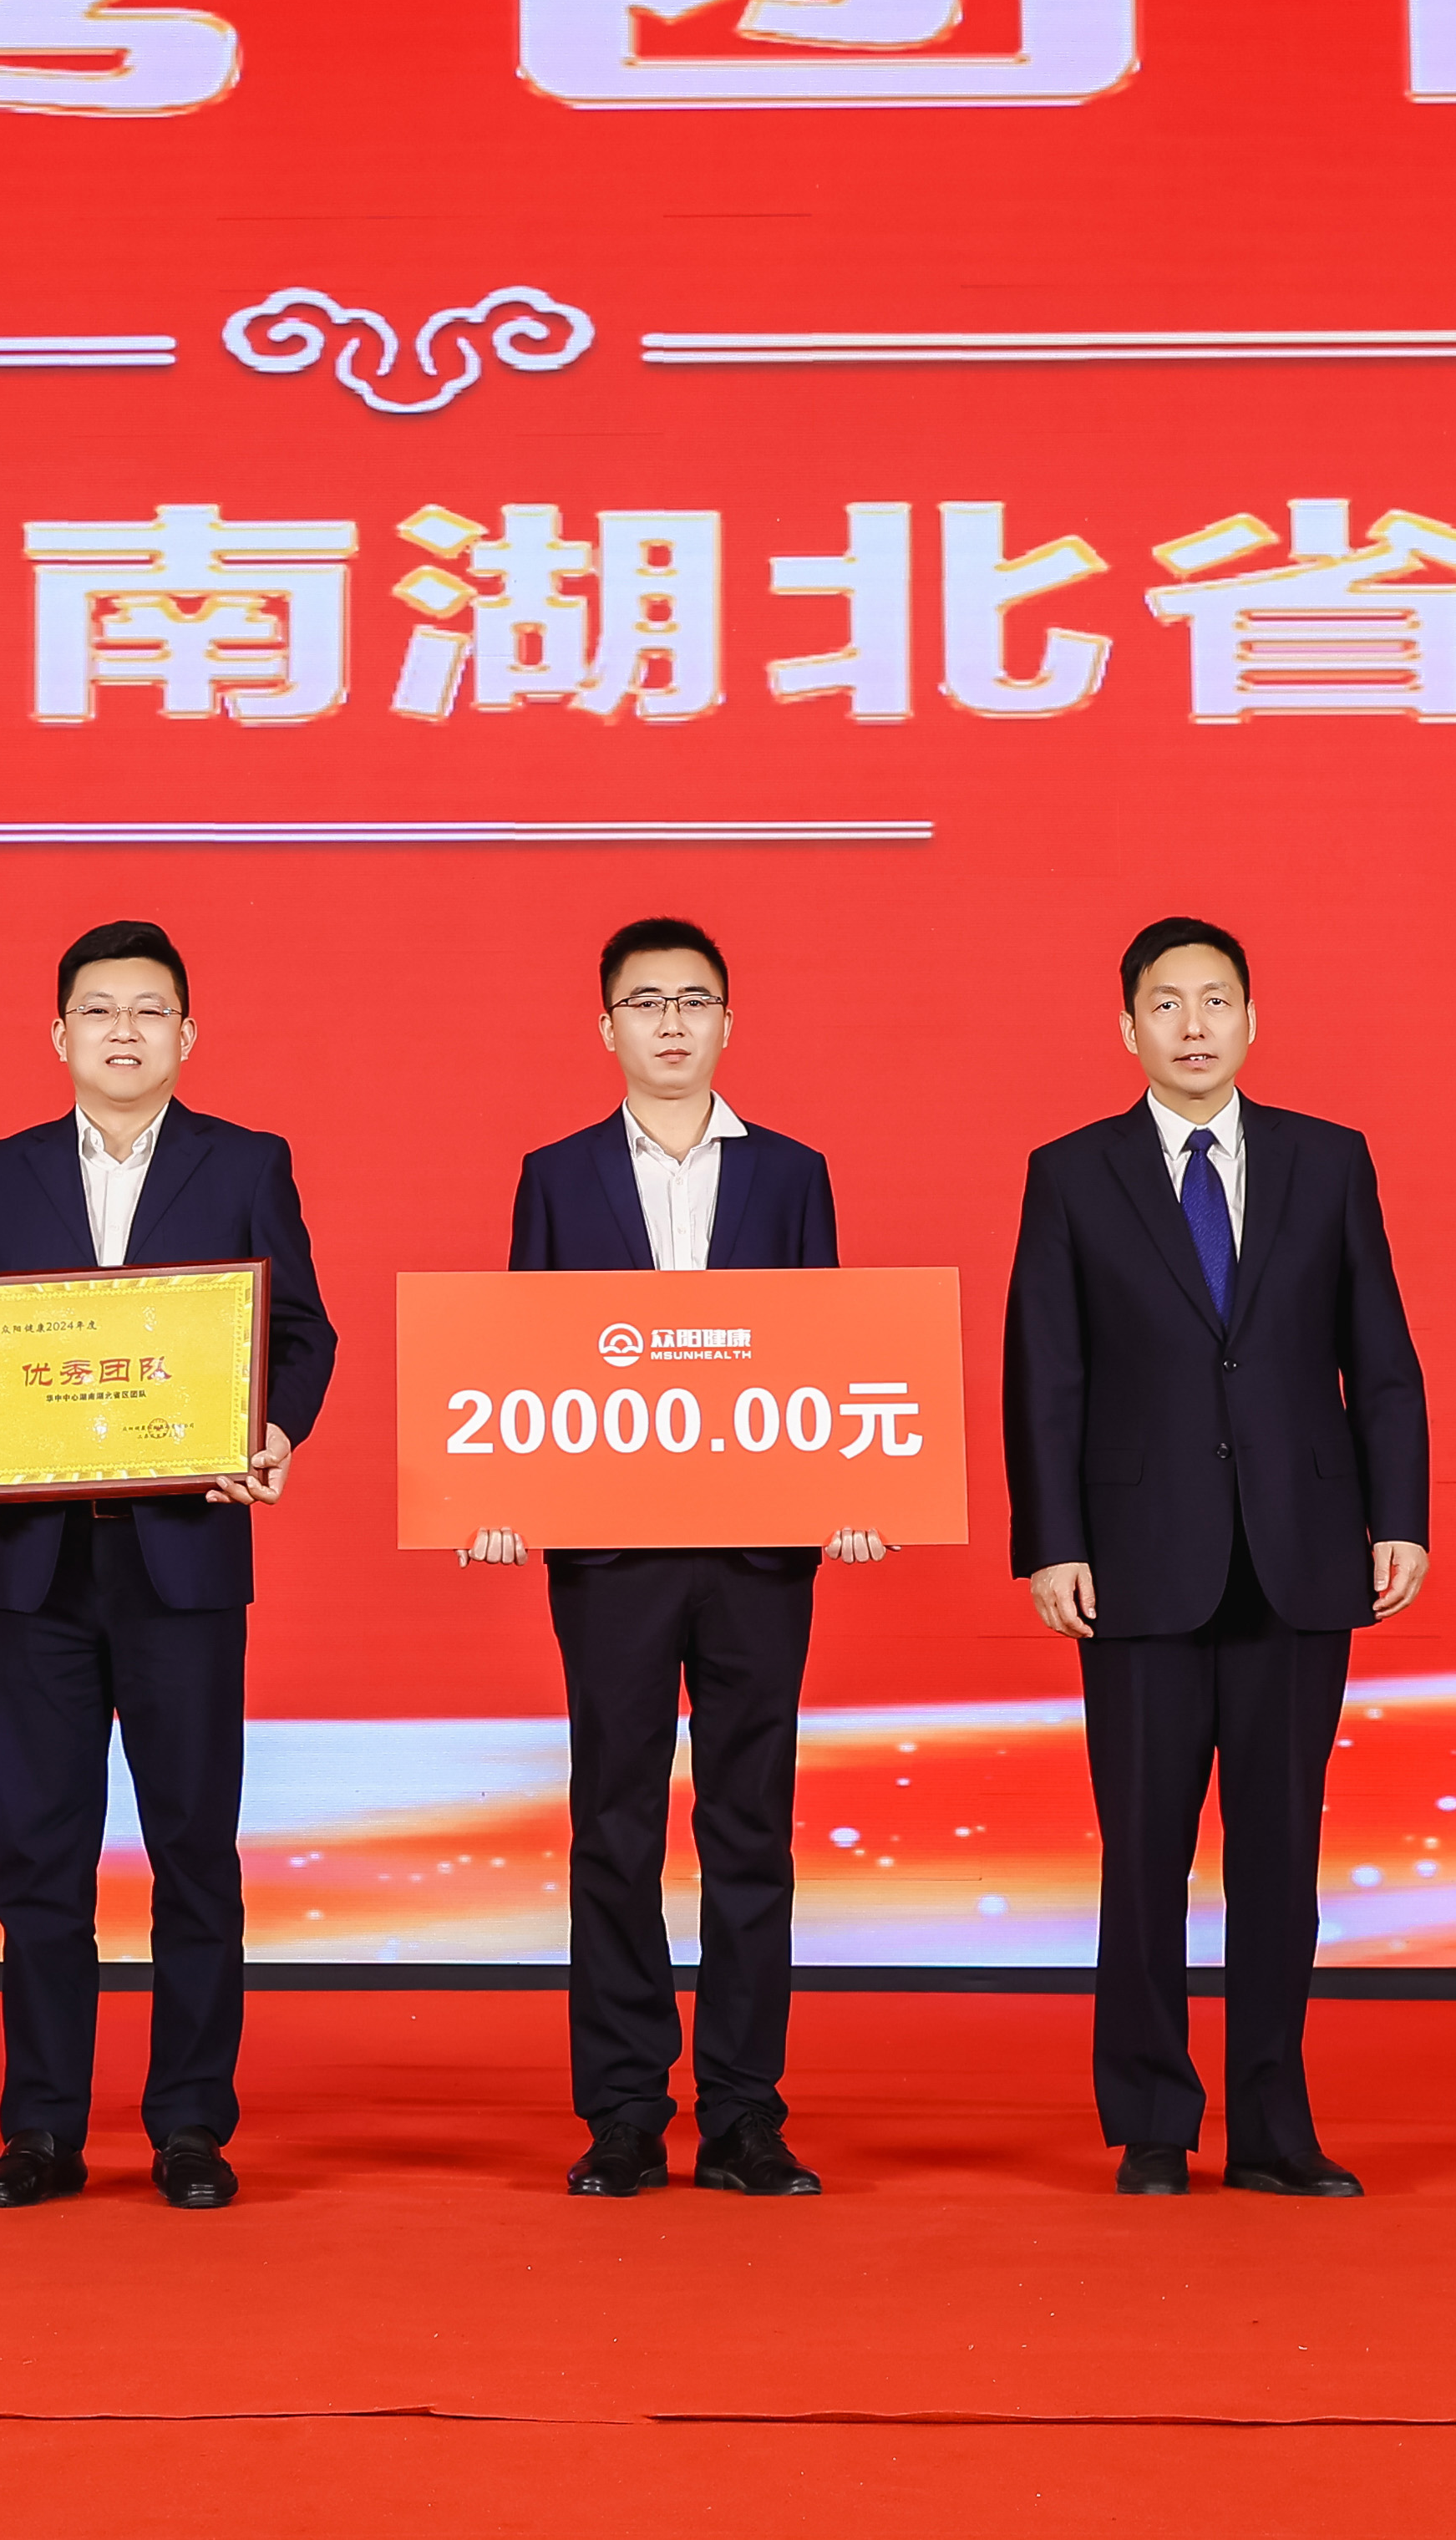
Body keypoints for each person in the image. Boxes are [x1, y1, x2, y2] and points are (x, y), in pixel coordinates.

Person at [0, 922, 335, 2212]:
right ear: (60, 1036)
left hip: (185, 1556)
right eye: (99, 1011)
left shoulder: (245, 1162)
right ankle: (40, 2127)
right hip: (37, 1568)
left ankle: (190, 2126)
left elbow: (299, 1330)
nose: (124, 1031)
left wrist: (271, 1430)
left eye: (149, 1010)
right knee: (39, 1857)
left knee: (193, 1850)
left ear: (186, 1035)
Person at [1004, 917, 1427, 2199]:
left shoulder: (1327, 1159)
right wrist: (1051, 1544)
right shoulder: (1070, 1174)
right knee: (1142, 1855)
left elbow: (1381, 1356)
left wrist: (1398, 1515)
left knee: (1278, 1858)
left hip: (1300, 1555)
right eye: (1166, 1003)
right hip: (1136, 1564)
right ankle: (1150, 2123)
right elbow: (1044, 1377)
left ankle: (1273, 2128)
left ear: (1251, 1019)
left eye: (1216, 1001)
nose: (1193, 1026)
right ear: (1125, 1026)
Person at [464, 917, 883, 2201]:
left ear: (726, 1024)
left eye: (693, 1000)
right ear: (605, 1028)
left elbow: (824, 1347)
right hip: (613, 1557)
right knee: (615, 1825)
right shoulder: (556, 1175)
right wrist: (500, 1492)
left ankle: (746, 2115)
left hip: (759, 1552)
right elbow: (525, 1351)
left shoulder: (791, 1175)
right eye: (644, 1002)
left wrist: (852, 1489)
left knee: (749, 1824)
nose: (669, 1023)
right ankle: (625, 2113)